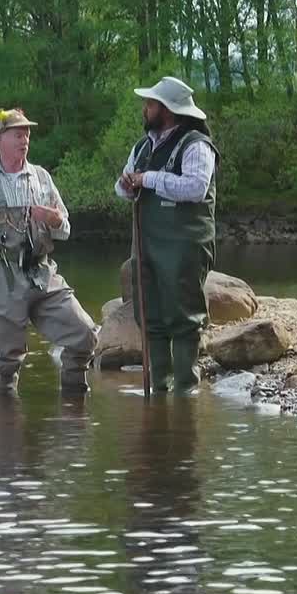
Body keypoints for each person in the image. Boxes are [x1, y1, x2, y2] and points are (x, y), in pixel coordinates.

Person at [0, 107, 98, 393]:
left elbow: (65, 228)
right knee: (4, 361)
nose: (25, 139)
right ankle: (5, 429)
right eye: (18, 134)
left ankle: (74, 413)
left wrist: (54, 218)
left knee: (84, 334)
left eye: (27, 134)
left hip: (41, 271)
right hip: (0, 275)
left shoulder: (41, 177)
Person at [115, 76, 220, 393]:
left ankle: (186, 390)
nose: (145, 109)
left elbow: (195, 187)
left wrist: (147, 179)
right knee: (151, 315)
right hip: (147, 243)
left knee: (184, 316)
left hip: (185, 244)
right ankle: (159, 390)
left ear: (168, 110)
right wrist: (126, 185)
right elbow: (122, 188)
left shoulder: (196, 145)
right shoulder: (143, 146)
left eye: (150, 104)